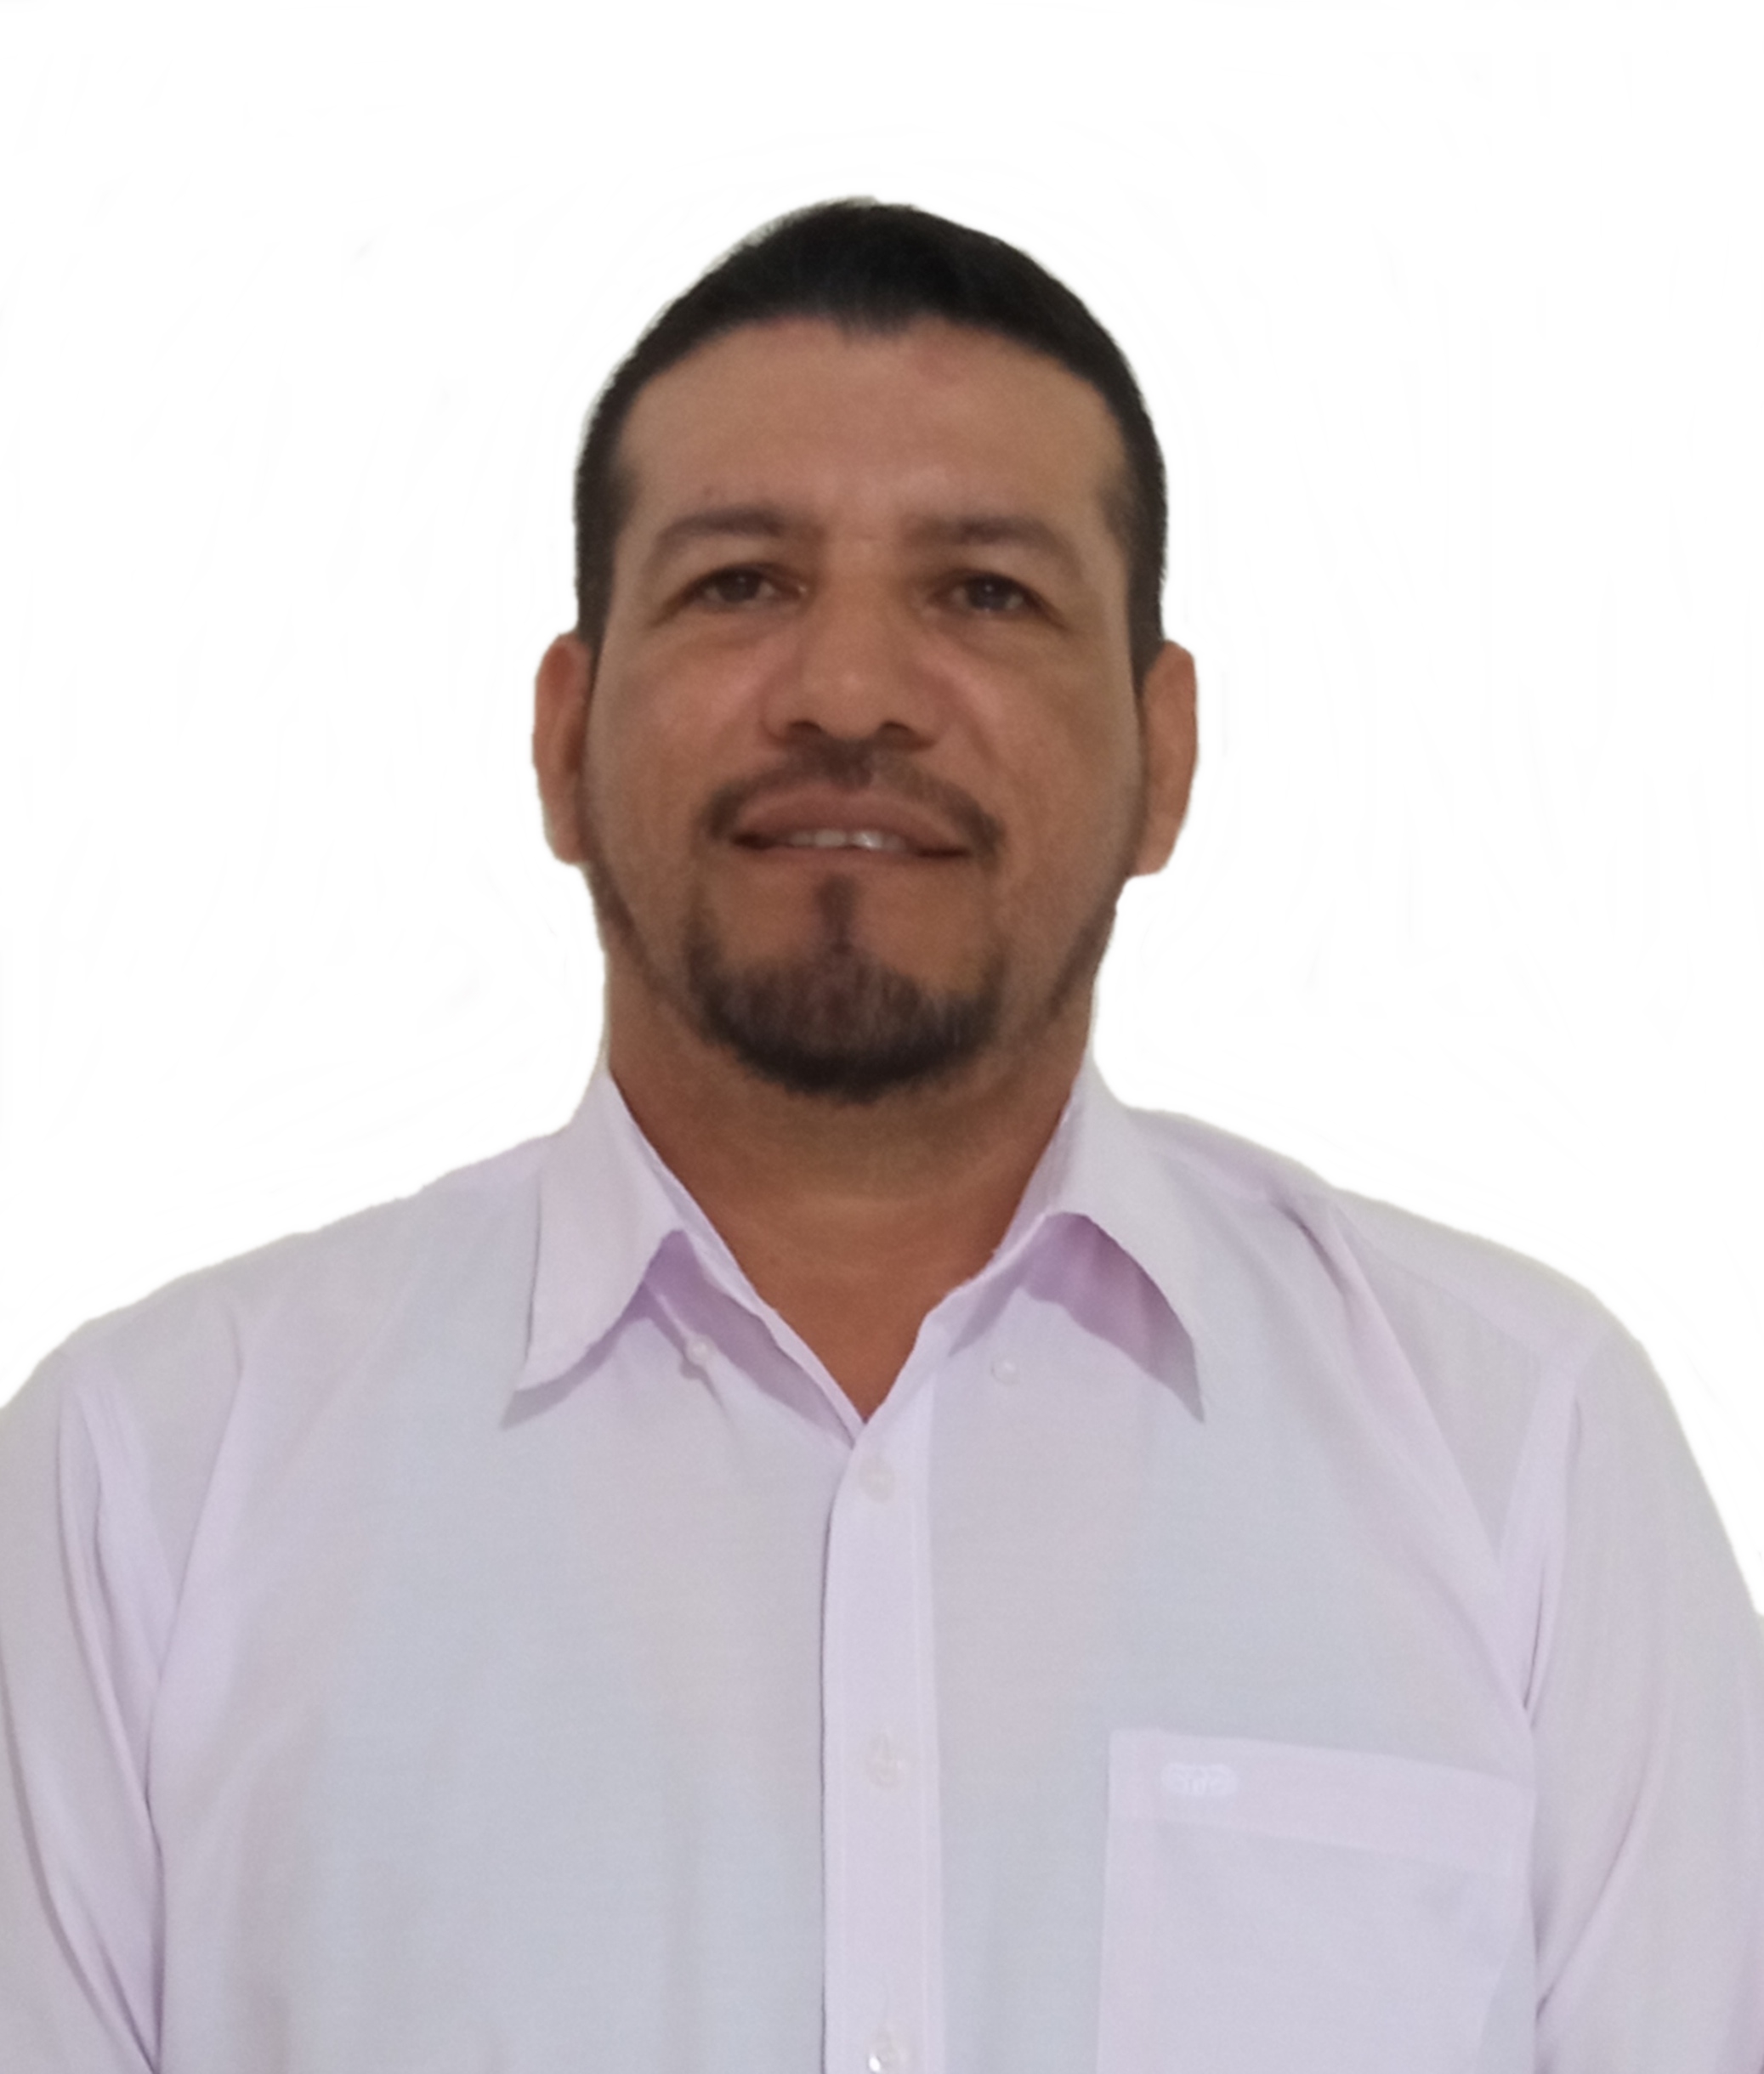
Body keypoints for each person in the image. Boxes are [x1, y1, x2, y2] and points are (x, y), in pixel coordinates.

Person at [1, 197, 1759, 2074]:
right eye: (740, 583)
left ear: (1163, 756)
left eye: (984, 592)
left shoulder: (1526, 1459)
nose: (848, 696)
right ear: (564, 737)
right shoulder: (144, 1489)